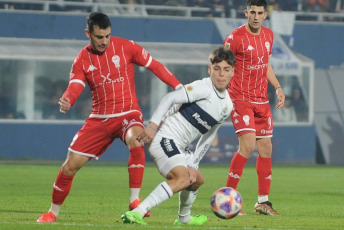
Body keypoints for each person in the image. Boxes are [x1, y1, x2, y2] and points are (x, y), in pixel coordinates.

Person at [37, 12, 181, 223]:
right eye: (99, 37)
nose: (104, 41)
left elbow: (155, 66)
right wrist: (68, 98)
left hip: (128, 113)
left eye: (107, 36)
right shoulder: (81, 59)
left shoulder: (126, 47)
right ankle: (52, 212)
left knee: (137, 138)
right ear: (88, 33)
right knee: (69, 165)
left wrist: (179, 88)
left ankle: (134, 201)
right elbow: (75, 85)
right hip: (99, 118)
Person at [121, 47, 236, 226]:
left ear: (232, 72)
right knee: (182, 178)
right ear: (209, 69)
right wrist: (152, 126)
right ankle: (137, 212)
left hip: (180, 144)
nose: (221, 74)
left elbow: (208, 136)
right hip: (163, 136)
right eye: (217, 69)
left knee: (197, 180)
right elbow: (169, 98)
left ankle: (184, 218)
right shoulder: (203, 87)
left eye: (226, 69)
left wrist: (193, 164)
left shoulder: (227, 106)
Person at [223, 0, 285, 216]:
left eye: (260, 13)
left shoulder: (268, 36)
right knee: (248, 146)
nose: (256, 17)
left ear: (265, 15)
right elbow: (221, 64)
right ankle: (228, 201)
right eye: (252, 13)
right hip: (240, 98)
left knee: (266, 148)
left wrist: (277, 87)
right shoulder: (235, 38)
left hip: (262, 100)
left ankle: (263, 202)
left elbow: (265, 64)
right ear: (246, 13)